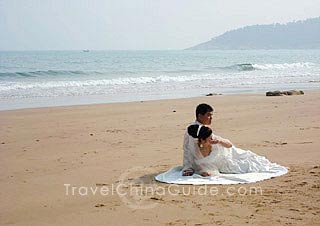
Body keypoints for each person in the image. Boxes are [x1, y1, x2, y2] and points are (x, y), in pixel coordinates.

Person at [186, 124, 285, 177]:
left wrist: (219, 141)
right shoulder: (196, 148)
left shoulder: (214, 139)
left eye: (211, 136)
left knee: (253, 161)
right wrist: (203, 172)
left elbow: (229, 145)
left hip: (231, 154)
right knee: (240, 168)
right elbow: (197, 163)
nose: (211, 138)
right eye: (209, 138)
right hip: (222, 165)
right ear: (202, 139)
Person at [182, 103, 232, 176]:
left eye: (211, 115)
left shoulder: (204, 129)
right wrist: (198, 169)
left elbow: (229, 145)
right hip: (201, 159)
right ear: (200, 116)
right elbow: (191, 150)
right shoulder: (194, 130)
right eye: (208, 115)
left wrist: (219, 141)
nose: (211, 118)